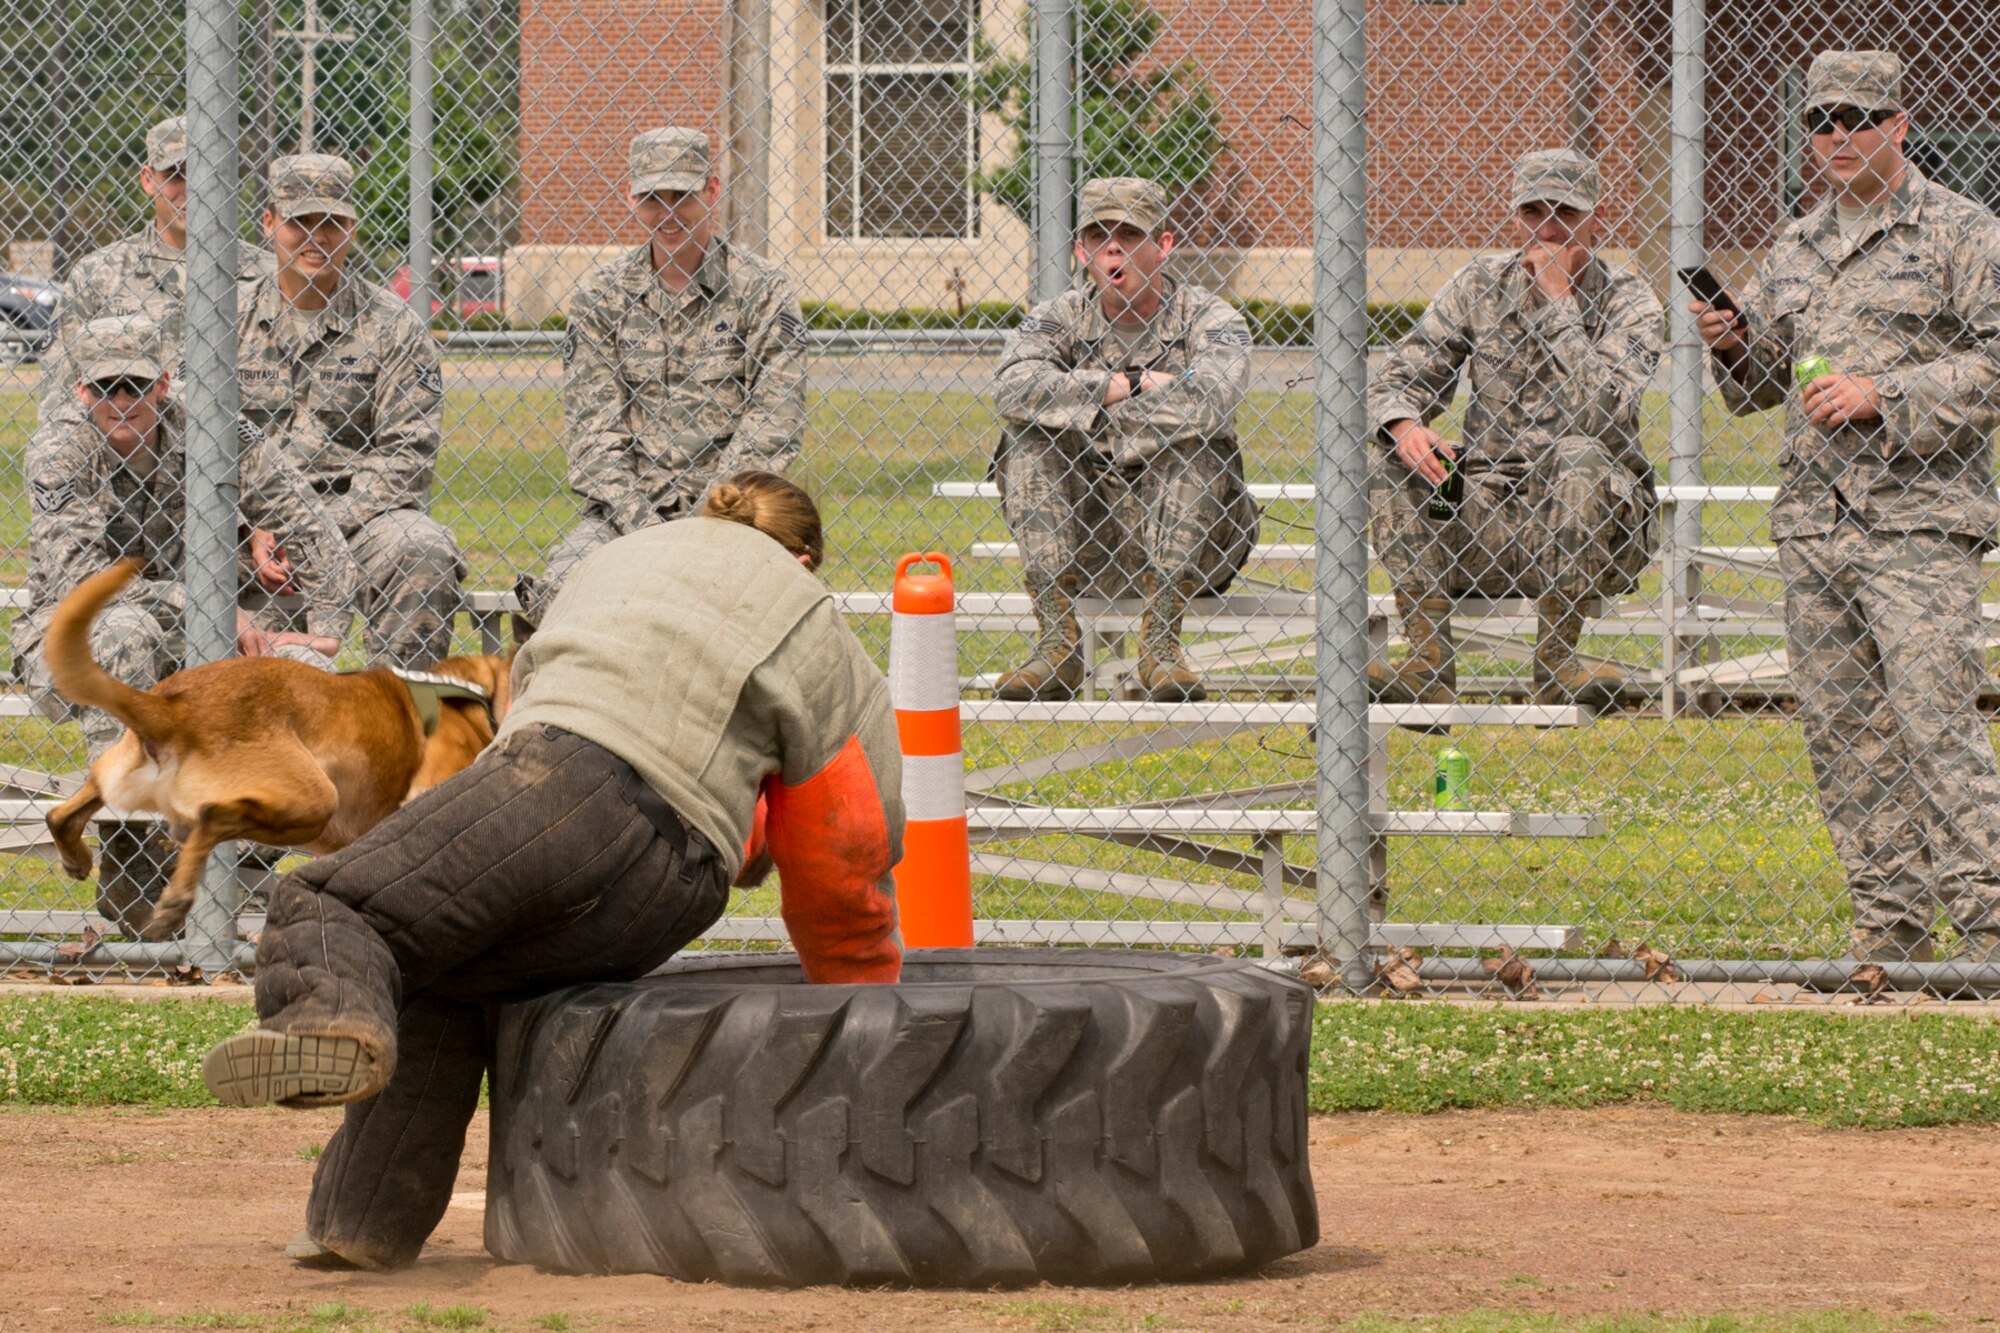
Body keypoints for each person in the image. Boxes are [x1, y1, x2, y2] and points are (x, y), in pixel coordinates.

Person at [199, 470, 903, 1272]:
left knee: (325, 900)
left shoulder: (623, 556)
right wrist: (865, 1008)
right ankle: (358, 1219)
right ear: (805, 556)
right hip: (676, 887)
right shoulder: (815, 621)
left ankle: (325, 1023)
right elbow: (844, 843)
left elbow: (529, 700)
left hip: (561, 783)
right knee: (446, 965)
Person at [1691, 50, 2000, 968]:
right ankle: (1891, 933)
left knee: (1935, 725)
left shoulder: (1962, 232)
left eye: (1857, 118)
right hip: (1816, 525)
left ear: (1899, 126)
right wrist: (1732, 344)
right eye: (1821, 119)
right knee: (1846, 738)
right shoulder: (1794, 245)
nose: (1836, 136)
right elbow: (1756, 390)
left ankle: (1988, 934)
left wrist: (1887, 395)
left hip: (1919, 520)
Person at [16, 314, 359, 933]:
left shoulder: (211, 429)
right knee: (123, 633)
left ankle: (240, 870)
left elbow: (304, 518)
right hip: (74, 641)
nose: (122, 401)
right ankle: (132, 861)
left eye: (137, 386)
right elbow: (81, 581)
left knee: (310, 673)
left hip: (197, 636)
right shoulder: (59, 448)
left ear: (165, 384)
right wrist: (211, 609)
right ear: (80, 392)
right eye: (106, 387)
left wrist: (328, 622)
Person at [1367, 149, 1663, 711]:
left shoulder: (1631, 299)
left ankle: (1557, 664)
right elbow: (1397, 377)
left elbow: (1607, 413)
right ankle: (1427, 662)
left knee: (1579, 453)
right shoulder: (1480, 284)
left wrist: (1558, 303)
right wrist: (1406, 425)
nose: (1548, 229)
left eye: (1565, 214)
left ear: (1595, 217)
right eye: (1533, 212)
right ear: (1516, 214)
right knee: (1390, 455)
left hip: (1597, 529)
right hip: (1489, 517)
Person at [516, 127, 808, 629]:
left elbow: (774, 423)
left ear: (712, 192)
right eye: (652, 197)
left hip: (733, 514)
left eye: (683, 195)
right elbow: (593, 436)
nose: (668, 211)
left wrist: (703, 522)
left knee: (764, 608)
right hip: (623, 516)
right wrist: (646, 531)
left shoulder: (763, 291)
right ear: (631, 198)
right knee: (563, 593)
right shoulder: (600, 298)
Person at [992, 176, 1258, 703]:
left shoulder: (1210, 318)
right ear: (1080, 252)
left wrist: (1085, 412)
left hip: (1200, 542)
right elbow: (1012, 391)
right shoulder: (1056, 319)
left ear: (1163, 245)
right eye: (1098, 237)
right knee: (1026, 440)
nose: (1113, 248)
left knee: (1197, 447)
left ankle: (1161, 645)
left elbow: (1210, 402)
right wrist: (1128, 385)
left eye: (1129, 235)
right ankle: (1057, 644)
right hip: (1091, 537)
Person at [236, 152, 462, 669]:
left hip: (354, 520)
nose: (317, 237)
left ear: (353, 228)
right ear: (269, 223)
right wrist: (251, 529)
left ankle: (398, 713)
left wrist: (312, 529)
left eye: (333, 223)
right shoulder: (224, 318)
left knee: (422, 549)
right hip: (242, 528)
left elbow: (408, 454)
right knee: (160, 541)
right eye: (300, 222)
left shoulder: (393, 325)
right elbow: (188, 443)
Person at [31, 115, 270, 454]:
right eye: (176, 174)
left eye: (207, 172)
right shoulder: (99, 276)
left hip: (244, 477)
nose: (193, 188)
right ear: (148, 179)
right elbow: (60, 402)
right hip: (131, 485)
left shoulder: (271, 276)